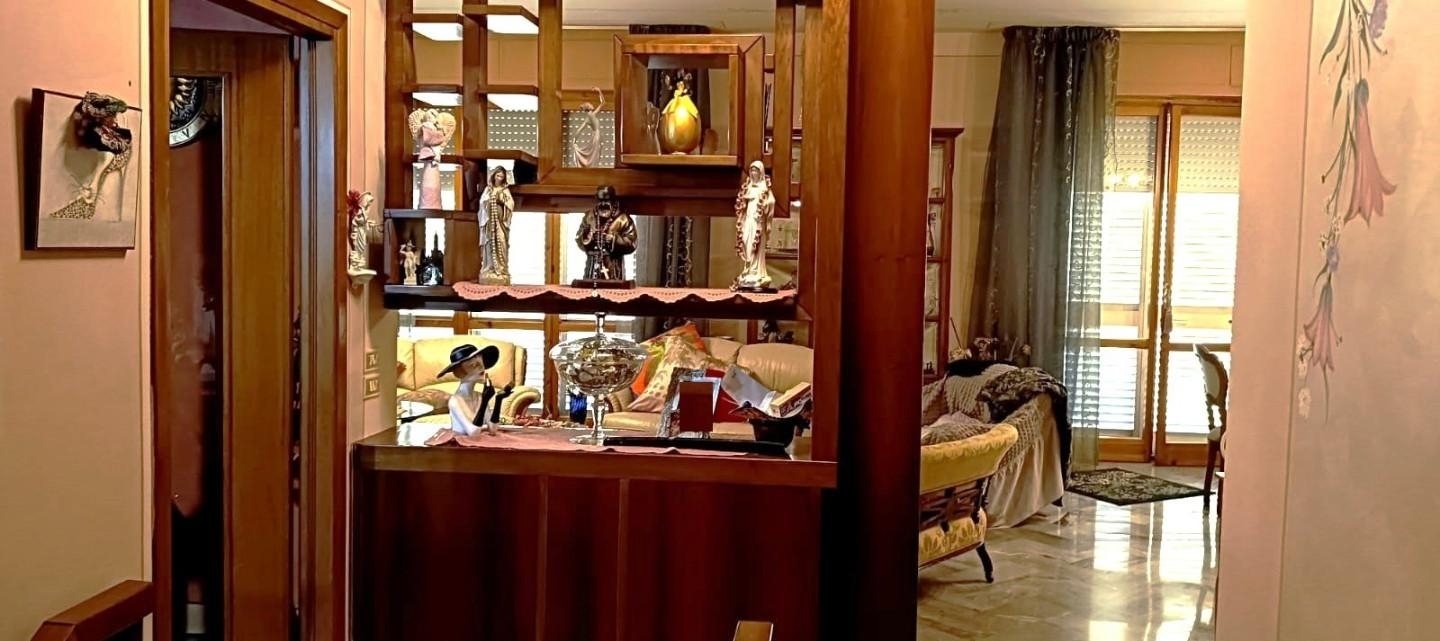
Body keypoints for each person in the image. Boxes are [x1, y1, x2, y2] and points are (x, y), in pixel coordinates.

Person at [574, 185, 638, 283]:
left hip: (613, 267)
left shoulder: (623, 219)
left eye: (606, 200)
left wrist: (614, 239)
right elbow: (579, 238)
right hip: (592, 266)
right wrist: (587, 237)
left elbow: (632, 243)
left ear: (613, 200)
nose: (603, 204)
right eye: (600, 200)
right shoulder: (588, 217)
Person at [732, 161, 777, 291]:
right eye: (751, 170)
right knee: (746, 241)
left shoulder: (764, 187)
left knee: (756, 246)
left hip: (758, 222)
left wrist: (765, 205)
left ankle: (757, 273)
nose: (753, 173)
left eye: (756, 170)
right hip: (748, 219)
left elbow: (771, 200)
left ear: (760, 172)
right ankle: (748, 270)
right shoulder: (748, 187)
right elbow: (742, 203)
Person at [477, 166, 514, 284]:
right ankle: (489, 268)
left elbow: (511, 204)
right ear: (494, 176)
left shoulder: (505, 190)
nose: (499, 178)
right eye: (497, 176)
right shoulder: (488, 190)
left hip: (500, 223)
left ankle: (502, 270)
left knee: (501, 242)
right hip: (489, 224)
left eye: (501, 176)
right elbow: (482, 203)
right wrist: (489, 201)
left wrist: (502, 201)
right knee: (489, 244)